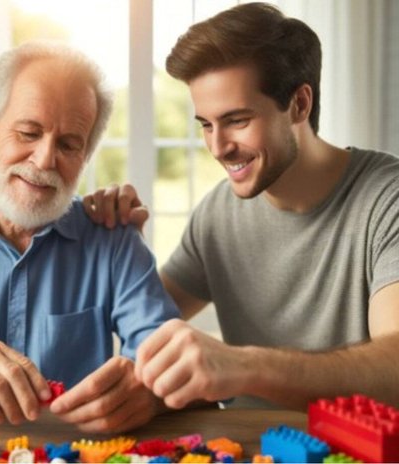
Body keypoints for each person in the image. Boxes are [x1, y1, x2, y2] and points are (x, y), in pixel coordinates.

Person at [84, 2, 399, 410]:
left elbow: (395, 367)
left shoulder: (387, 199)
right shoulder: (217, 215)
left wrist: (244, 366)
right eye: (206, 125)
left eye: (236, 120)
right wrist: (118, 243)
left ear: (300, 105)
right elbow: (137, 317)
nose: (217, 147)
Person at [0, 40, 180, 433]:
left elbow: (175, 369)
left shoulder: (114, 240)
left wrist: (154, 394)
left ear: (85, 158)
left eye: (68, 144)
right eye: (28, 132)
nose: (44, 160)